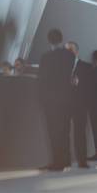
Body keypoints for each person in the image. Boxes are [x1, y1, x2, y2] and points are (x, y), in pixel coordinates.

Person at [39, 29, 75, 171]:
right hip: (66, 98)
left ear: (49, 40)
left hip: (51, 99)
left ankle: (57, 162)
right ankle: (66, 160)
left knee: (54, 131)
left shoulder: (46, 57)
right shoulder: (69, 56)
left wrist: (41, 98)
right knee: (65, 130)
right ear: (61, 39)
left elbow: (42, 79)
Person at [65, 42, 92, 168]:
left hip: (80, 105)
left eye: (71, 50)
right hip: (63, 103)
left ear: (77, 51)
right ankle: (64, 160)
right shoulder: (59, 66)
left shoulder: (86, 67)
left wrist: (79, 83)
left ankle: (82, 161)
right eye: (66, 50)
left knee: (79, 133)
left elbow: (91, 86)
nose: (68, 52)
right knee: (62, 132)